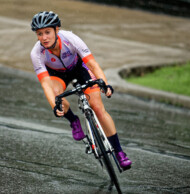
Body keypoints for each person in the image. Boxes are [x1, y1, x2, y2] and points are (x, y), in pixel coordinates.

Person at [30, 11, 132, 169]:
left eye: (47, 32)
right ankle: (74, 121)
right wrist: (55, 105)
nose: (44, 37)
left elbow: (92, 64)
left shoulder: (71, 38)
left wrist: (105, 84)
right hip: (57, 75)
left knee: (97, 107)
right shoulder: (37, 53)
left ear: (57, 30)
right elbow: (45, 84)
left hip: (79, 68)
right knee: (56, 95)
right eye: (40, 34)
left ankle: (119, 153)